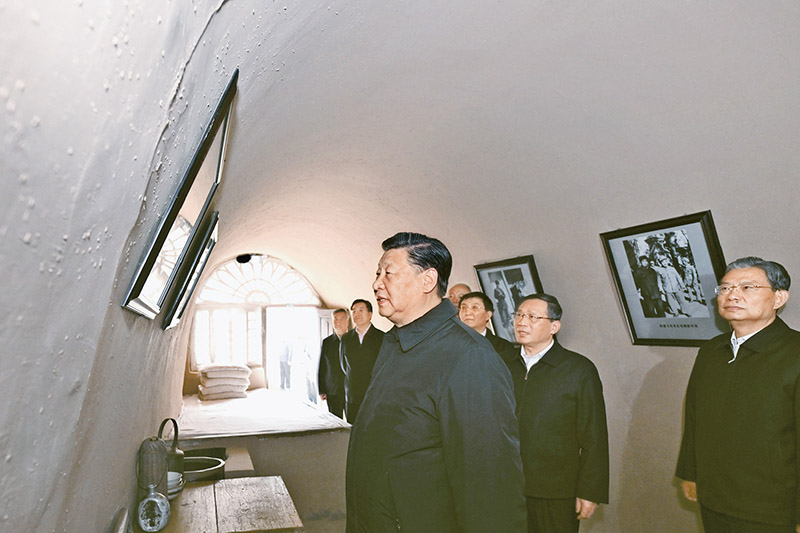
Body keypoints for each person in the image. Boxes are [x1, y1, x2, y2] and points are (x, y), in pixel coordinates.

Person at [346, 232, 526, 532]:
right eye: (377, 274)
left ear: (427, 280)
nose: (377, 283)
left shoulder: (469, 356)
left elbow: (489, 485)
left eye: (388, 273)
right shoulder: (394, 342)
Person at [676, 256, 799, 532]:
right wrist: (690, 472)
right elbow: (695, 418)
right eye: (725, 288)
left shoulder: (795, 353)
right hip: (714, 496)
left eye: (747, 288)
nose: (732, 295)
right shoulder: (710, 351)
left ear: (779, 298)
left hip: (772, 508)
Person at [500, 293, 609, 533]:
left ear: (554, 327)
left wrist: (590, 491)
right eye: (519, 315)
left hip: (556, 491)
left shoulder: (578, 370)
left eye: (532, 317)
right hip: (505, 486)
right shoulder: (501, 363)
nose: (522, 322)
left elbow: (594, 436)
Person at [340, 299, 384, 423]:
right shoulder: (346, 338)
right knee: (352, 429)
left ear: (370, 314)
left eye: (361, 310)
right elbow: (343, 365)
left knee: (372, 430)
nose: (357, 314)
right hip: (352, 395)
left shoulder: (382, 337)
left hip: (374, 395)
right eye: (354, 311)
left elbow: (384, 368)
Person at [317, 308, 349, 418]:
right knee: (335, 421)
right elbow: (322, 367)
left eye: (342, 318)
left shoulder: (354, 340)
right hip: (332, 390)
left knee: (353, 421)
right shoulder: (327, 342)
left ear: (347, 322)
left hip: (351, 390)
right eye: (335, 319)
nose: (338, 322)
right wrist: (322, 390)